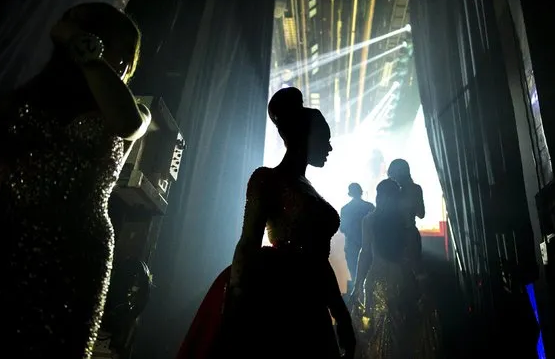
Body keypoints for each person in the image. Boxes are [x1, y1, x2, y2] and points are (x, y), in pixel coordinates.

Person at [0, 2, 151, 358]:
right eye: (116, 47)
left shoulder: (133, 110)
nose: (124, 64)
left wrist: (84, 48)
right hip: (12, 237)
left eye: (130, 58)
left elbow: (126, 123)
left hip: (80, 249)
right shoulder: (24, 98)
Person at [177, 87, 355, 359]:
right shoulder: (267, 179)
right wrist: (234, 303)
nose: (330, 147)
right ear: (306, 136)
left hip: (308, 299)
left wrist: (340, 312)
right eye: (325, 139)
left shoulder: (308, 188)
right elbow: (248, 242)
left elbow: (319, 260)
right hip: (276, 295)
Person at [351, 179, 442, 359]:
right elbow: (414, 259)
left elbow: (365, 253)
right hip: (401, 281)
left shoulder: (370, 220)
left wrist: (357, 284)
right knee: (401, 336)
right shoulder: (404, 223)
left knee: (377, 335)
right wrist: (423, 284)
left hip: (377, 282)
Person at [340, 182, 374, 292]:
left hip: (352, 247)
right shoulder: (369, 207)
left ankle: (356, 302)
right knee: (369, 277)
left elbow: (343, 228)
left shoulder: (345, 209)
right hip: (368, 246)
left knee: (355, 277)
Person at [387, 158, 425, 256]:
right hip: (409, 234)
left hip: (393, 235)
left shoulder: (389, 189)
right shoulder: (415, 189)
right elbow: (421, 214)